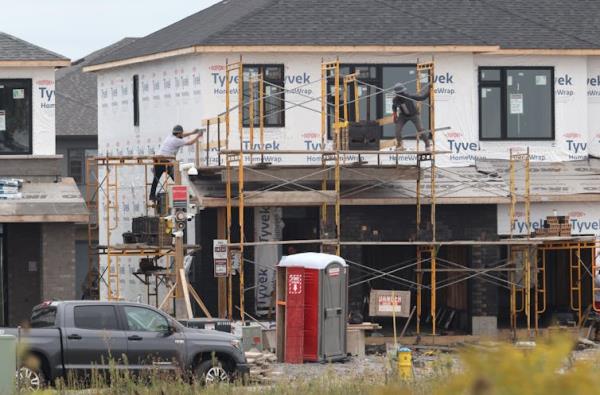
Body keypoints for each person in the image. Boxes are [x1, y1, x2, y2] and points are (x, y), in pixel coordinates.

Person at [149, 125, 202, 201]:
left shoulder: (170, 136)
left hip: (158, 160)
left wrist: (192, 132)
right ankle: (187, 195)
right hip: (166, 161)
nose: (182, 135)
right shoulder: (177, 141)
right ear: (178, 134)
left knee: (156, 179)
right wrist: (198, 136)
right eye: (181, 133)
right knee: (176, 178)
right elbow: (190, 142)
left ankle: (152, 195)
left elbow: (182, 135)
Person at [392, 83, 431, 151]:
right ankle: (400, 145)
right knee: (397, 130)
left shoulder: (408, 96)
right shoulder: (395, 99)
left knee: (420, 129)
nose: (401, 95)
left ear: (403, 91)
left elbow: (422, 97)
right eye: (399, 94)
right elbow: (394, 106)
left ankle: (427, 145)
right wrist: (395, 115)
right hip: (403, 116)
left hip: (414, 115)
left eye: (402, 93)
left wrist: (429, 90)